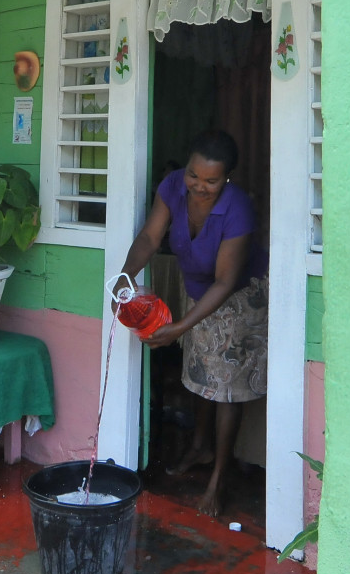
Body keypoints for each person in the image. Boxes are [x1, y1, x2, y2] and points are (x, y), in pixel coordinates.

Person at [113, 131, 269, 516]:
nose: (199, 186)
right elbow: (150, 237)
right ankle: (200, 447)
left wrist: (180, 326)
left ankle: (219, 478)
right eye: (193, 176)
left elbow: (226, 281)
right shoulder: (172, 187)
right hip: (198, 291)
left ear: (227, 178)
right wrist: (125, 275)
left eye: (211, 181)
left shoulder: (237, 208)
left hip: (239, 296)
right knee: (201, 375)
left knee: (227, 388)